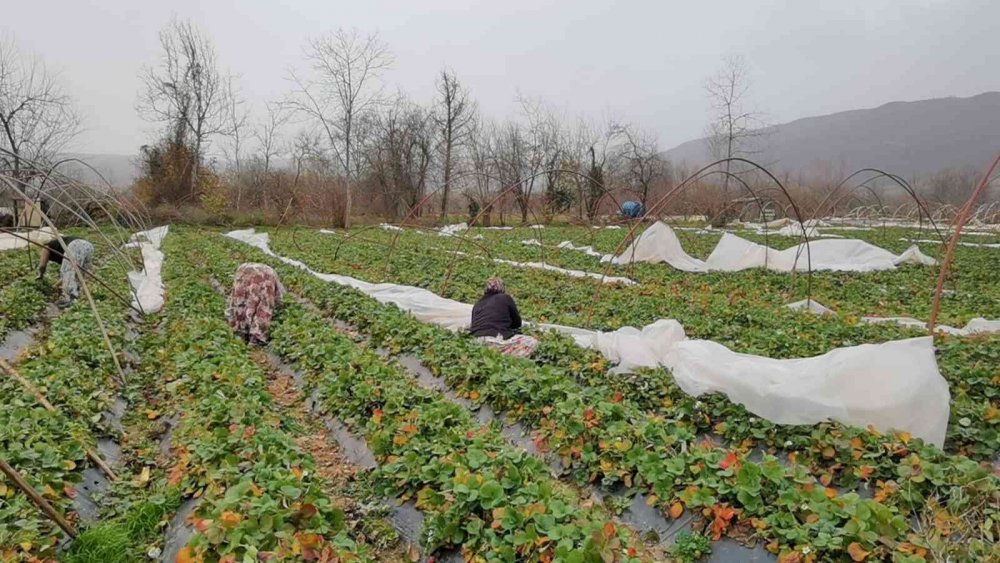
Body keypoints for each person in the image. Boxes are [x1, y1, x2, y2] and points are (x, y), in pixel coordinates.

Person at [469, 276, 538, 358]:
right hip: (495, 339)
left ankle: (491, 356)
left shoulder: (477, 304)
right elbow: (517, 323)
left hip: (476, 342)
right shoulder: (505, 298)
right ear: (502, 287)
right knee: (532, 342)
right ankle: (510, 358)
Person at [226, 263, 284, 346]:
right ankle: (255, 339)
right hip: (265, 278)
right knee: (264, 308)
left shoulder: (243, 268)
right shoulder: (273, 279)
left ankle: (240, 331)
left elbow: (233, 298)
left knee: (241, 300)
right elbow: (279, 298)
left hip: (244, 272)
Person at [37, 236, 95, 307]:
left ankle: (68, 298)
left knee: (68, 271)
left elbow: (42, 265)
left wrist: (40, 275)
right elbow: (69, 273)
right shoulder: (60, 246)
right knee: (79, 273)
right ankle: (76, 296)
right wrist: (56, 285)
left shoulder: (47, 246)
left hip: (75, 245)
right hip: (88, 246)